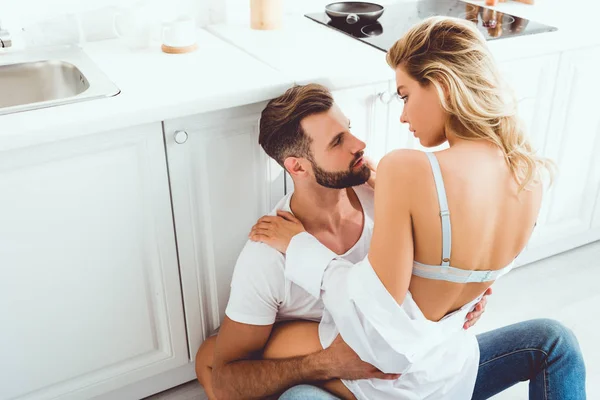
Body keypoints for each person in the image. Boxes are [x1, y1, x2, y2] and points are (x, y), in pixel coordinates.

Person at [245, 17, 586, 400]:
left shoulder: (407, 169)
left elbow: (377, 315)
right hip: (453, 368)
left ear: (440, 85)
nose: (403, 115)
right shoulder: (530, 176)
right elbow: (458, 270)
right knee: (554, 341)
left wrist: (300, 248)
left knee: (282, 364)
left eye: (405, 95)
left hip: (393, 379)